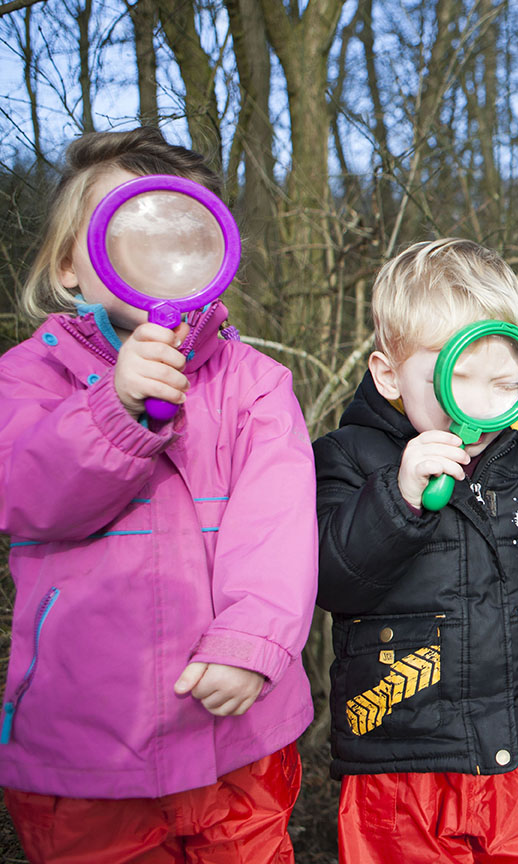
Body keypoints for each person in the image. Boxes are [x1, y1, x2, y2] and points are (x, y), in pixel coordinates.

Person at [0, 127, 317, 862]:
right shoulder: (27, 380)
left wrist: (251, 644)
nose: (153, 254)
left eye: (179, 234)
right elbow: (26, 494)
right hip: (86, 745)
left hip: (235, 736)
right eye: (125, 232)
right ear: (68, 264)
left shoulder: (254, 385)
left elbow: (278, 529)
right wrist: (111, 407)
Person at [313, 238, 518, 863]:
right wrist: (397, 500)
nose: (477, 404)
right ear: (389, 375)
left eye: (502, 383)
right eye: (451, 377)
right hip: (398, 762)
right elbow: (330, 581)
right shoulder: (351, 459)